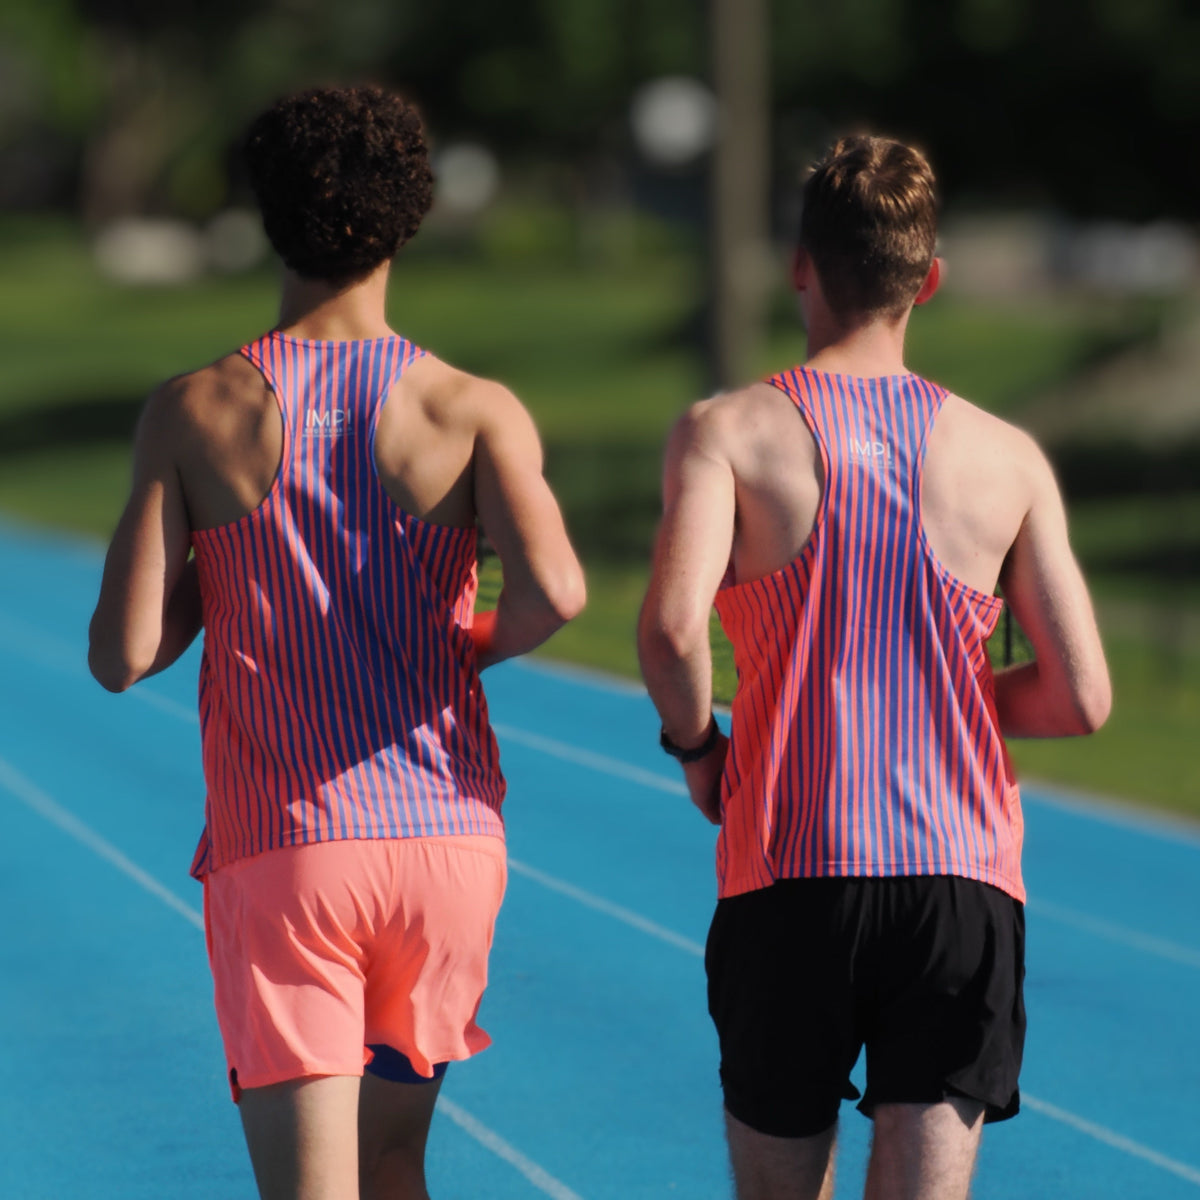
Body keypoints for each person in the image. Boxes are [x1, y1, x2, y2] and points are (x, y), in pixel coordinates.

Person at [88, 85, 585, 1200]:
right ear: (411, 216)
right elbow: (556, 589)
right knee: (396, 1163)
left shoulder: (196, 407)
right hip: (447, 851)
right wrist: (470, 643)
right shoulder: (472, 408)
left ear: (269, 215)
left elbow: (122, 656)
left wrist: (226, 568)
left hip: (292, 850)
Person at [637, 134, 1111, 1200]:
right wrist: (937, 702)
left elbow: (671, 633)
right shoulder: (1007, 456)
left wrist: (698, 747)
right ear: (929, 281)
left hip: (789, 872)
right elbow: (1082, 698)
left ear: (799, 263)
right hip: (959, 883)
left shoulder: (727, 431)